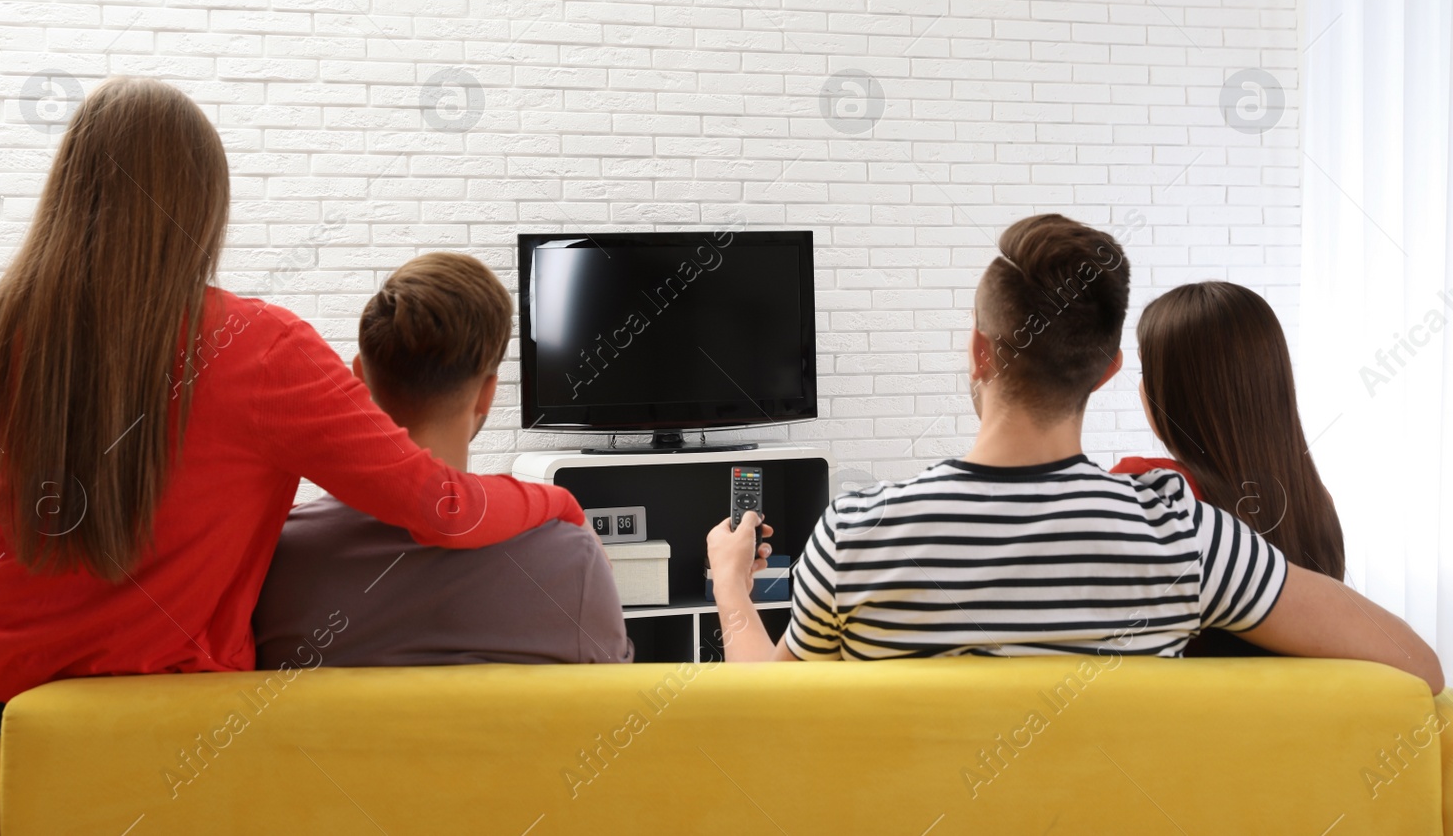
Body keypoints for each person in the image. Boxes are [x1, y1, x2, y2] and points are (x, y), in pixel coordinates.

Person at [0, 78, 583, 733]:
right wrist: (556, 499)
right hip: (109, 695)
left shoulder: (10, 321)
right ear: (203, 207)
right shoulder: (262, 348)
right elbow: (443, 507)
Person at [706, 214, 1442, 695]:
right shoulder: (1185, 536)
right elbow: (1418, 667)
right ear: (1109, 371)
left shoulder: (853, 534)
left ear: (978, 352)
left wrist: (734, 592)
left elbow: (766, 717)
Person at [254, 253, 632, 668]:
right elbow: (607, 705)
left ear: (360, 378)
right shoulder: (571, 558)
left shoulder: (277, 559)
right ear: (489, 393)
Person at [1113, 282, 1346, 658]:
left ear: (1176, 389)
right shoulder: (1318, 503)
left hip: (1185, 714)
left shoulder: (1147, 490)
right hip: (1300, 714)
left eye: (1145, 369)